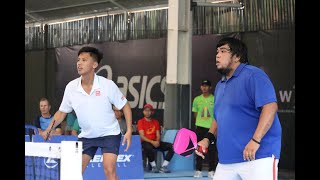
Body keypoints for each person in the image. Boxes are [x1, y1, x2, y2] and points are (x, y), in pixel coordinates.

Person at [195, 37, 282, 180]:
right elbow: (219, 118)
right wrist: (207, 139)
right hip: (225, 162)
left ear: (237, 56)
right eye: (217, 51)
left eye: (223, 51)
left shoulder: (254, 75)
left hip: (258, 157)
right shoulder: (220, 85)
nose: (217, 55)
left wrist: (255, 140)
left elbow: (270, 107)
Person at [42, 46, 133, 180]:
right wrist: (49, 128)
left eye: (84, 60)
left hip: (109, 134)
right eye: (78, 60)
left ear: (94, 64)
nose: (79, 63)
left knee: (109, 169)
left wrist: (129, 130)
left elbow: (125, 106)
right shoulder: (71, 87)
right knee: (75, 172)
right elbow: (62, 112)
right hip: (86, 136)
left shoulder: (107, 85)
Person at [137, 104, 174, 173]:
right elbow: (142, 136)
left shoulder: (155, 122)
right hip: (146, 142)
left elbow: (158, 134)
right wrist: (152, 142)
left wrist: (157, 141)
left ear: (152, 112)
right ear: (143, 112)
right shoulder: (140, 121)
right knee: (148, 147)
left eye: (149, 110)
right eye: (146, 110)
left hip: (155, 142)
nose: (147, 112)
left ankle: (164, 166)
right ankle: (154, 166)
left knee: (173, 147)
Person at [192, 79, 218, 178]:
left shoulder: (214, 99)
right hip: (200, 128)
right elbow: (195, 113)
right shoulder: (197, 99)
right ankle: (198, 170)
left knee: (212, 149)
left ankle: (211, 170)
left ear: (210, 87)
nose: (204, 87)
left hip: (211, 129)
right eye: (203, 85)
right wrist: (200, 122)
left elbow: (217, 114)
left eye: (206, 86)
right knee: (198, 149)